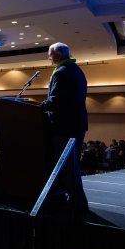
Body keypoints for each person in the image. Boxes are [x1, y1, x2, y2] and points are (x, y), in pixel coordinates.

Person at [37, 42, 89, 217]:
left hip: (64, 126)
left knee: (67, 167)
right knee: (72, 166)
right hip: (77, 124)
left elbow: (56, 100)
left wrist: (39, 107)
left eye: (50, 54)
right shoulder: (77, 70)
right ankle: (77, 202)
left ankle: (77, 205)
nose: (49, 58)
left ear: (58, 55)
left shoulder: (61, 72)